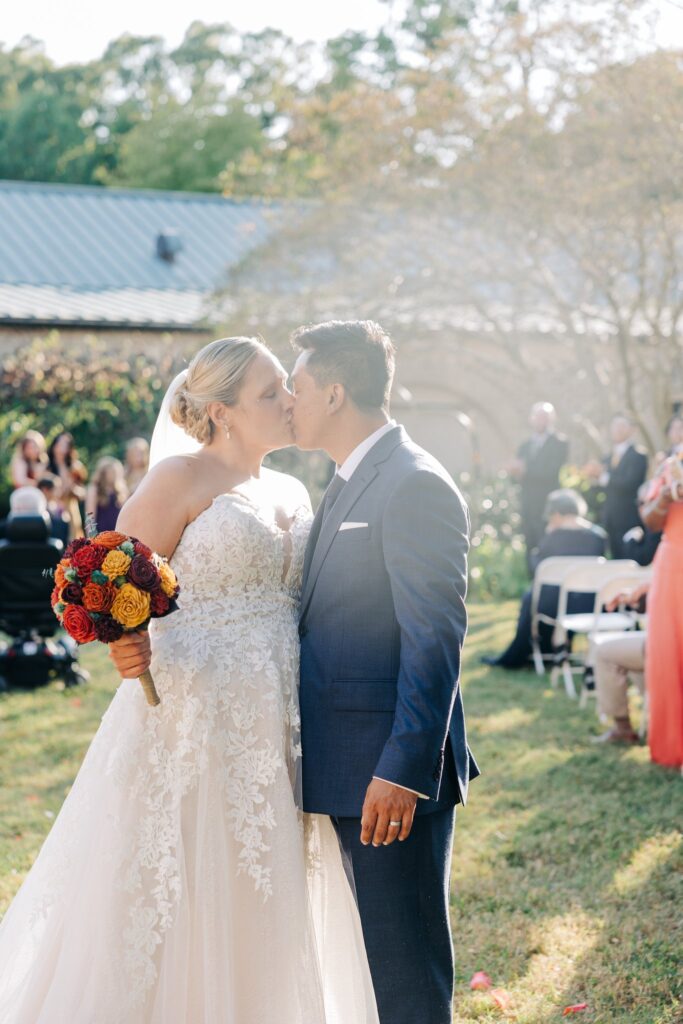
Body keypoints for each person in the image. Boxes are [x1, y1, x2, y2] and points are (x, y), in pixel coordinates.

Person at [0, 337, 378, 1023]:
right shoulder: (178, 480)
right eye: (271, 393)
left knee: (268, 871)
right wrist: (124, 645)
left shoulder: (292, 487)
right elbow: (101, 584)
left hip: (281, 709)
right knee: (188, 868)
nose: (290, 401)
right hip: (195, 709)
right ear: (222, 410)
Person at [288, 320, 477, 1024]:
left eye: (297, 386)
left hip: (389, 773)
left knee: (404, 973)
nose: (287, 398)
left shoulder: (413, 484)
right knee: (371, 965)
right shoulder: (344, 480)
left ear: (334, 394)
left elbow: (435, 638)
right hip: (346, 763)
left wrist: (401, 768)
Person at [481, 489, 606, 669]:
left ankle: (524, 652)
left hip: (551, 605)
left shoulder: (553, 537)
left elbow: (538, 570)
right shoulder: (598, 536)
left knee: (531, 598)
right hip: (588, 603)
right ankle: (560, 648)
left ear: (556, 514)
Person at [639, 452, 683, 769]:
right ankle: (672, 747)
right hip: (672, 566)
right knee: (667, 653)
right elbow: (651, 520)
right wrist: (667, 494)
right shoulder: (672, 465)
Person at [508, 402, 569, 574]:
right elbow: (518, 478)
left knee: (547, 542)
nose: (541, 421)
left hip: (548, 504)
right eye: (537, 416)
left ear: (552, 419)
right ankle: (532, 581)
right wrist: (514, 472)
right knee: (530, 542)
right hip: (528, 503)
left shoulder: (559, 443)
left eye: (545, 417)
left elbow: (551, 471)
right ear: (531, 419)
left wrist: (525, 470)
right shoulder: (525, 446)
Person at [589, 583, 649, 745]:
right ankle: (659, 715)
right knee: (632, 659)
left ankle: (622, 728)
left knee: (604, 653)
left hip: (670, 646)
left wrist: (640, 593)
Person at [584, 414, 648, 558]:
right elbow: (603, 489)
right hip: (609, 517)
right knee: (614, 556)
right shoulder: (607, 457)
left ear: (632, 430)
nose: (617, 430)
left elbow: (630, 484)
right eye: (615, 426)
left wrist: (603, 476)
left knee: (629, 556)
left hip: (629, 516)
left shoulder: (638, 456)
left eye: (622, 426)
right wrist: (593, 478)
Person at [47, 431, 88, 541]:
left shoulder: (76, 467)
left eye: (66, 444)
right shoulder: (46, 467)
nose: (63, 448)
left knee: (73, 540)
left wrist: (73, 490)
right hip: (53, 511)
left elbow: (83, 492)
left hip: (72, 510)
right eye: (60, 444)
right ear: (54, 446)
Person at [85, 456, 129, 533]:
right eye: (111, 472)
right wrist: (92, 538)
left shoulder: (121, 491)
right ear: (103, 474)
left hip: (117, 535)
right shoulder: (94, 489)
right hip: (100, 536)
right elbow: (90, 517)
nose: (114, 475)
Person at [36, 473, 70, 546]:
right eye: (56, 489)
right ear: (45, 490)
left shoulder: (58, 506)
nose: (59, 492)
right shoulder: (37, 508)